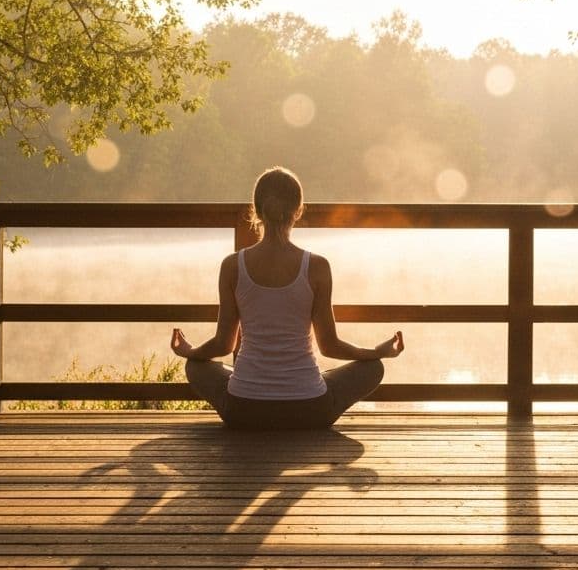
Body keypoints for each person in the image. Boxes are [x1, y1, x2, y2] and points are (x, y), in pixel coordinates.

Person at [170, 167, 404, 429]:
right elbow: (329, 346)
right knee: (373, 369)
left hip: (243, 410)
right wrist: (375, 352)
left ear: (256, 211)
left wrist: (190, 352)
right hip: (309, 411)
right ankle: (308, 386)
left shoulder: (233, 266)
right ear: (299, 211)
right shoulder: (317, 266)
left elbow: (224, 344)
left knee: (196, 367)